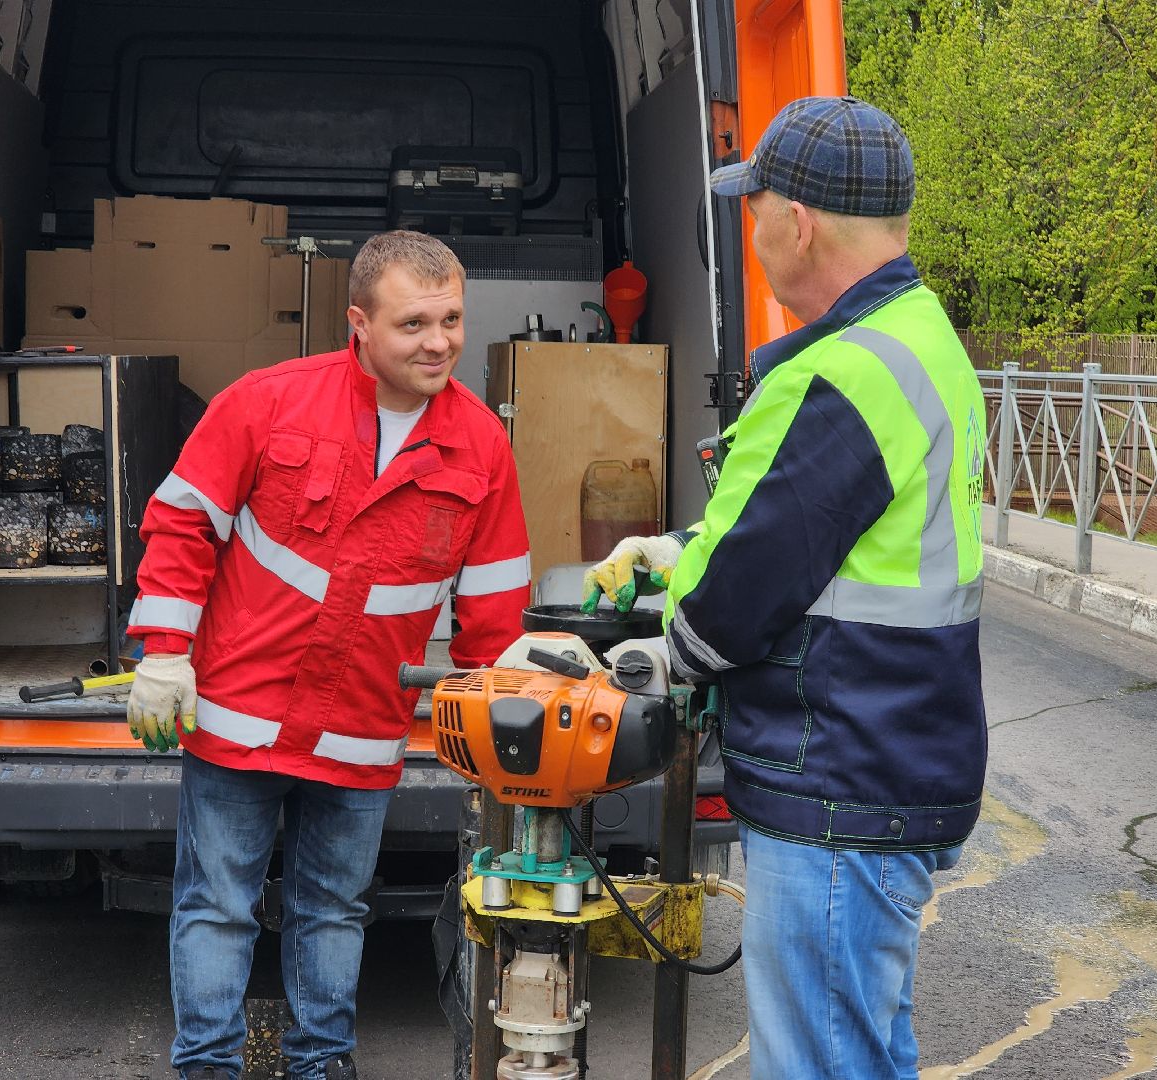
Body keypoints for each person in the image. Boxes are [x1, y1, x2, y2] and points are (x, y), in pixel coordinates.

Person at [583, 96, 987, 1079]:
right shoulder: (918, 338)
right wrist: (683, 550)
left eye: (753, 207)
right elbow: (823, 539)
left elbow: (743, 594)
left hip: (839, 779)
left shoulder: (848, 372)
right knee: (861, 1051)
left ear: (796, 221)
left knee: (820, 1063)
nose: (750, 230)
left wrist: (664, 653)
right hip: (888, 759)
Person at [124, 230, 531, 1080]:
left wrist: (503, 724)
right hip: (241, 710)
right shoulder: (267, 402)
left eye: (452, 319)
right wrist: (164, 653)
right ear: (359, 324)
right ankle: (205, 1067)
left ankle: (321, 1065)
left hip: (360, 727)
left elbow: (493, 603)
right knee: (216, 905)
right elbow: (182, 522)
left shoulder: (481, 444)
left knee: (334, 911)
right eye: (415, 323)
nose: (440, 342)